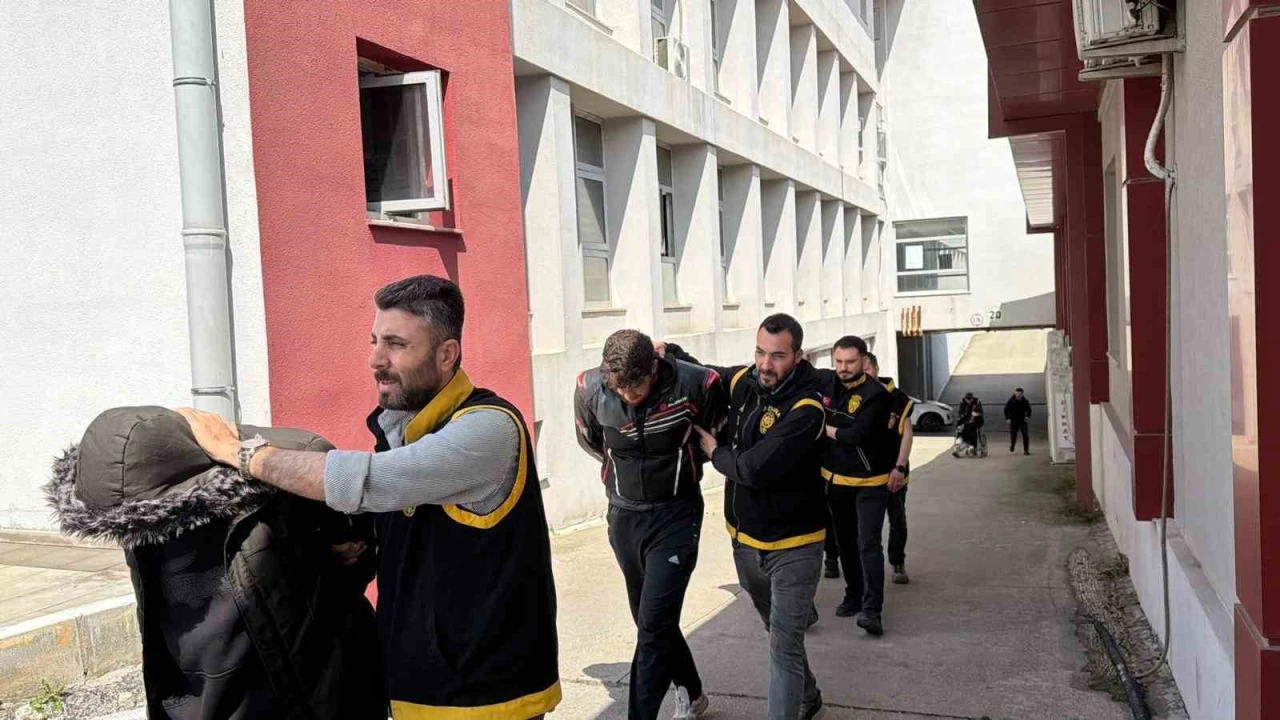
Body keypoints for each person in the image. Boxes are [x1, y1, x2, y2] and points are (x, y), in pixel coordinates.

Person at [177, 275, 561, 720]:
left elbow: (371, 481)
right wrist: (360, 548)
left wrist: (239, 453)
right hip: (421, 690)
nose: (376, 360)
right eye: (375, 341)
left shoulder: (489, 428)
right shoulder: (402, 428)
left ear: (446, 354)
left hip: (488, 700)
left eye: (396, 344)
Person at [47, 407, 385, 719]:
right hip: (192, 688)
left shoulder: (291, 461)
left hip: (308, 683)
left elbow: (358, 556)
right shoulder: (130, 510)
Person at [663, 314, 829, 720]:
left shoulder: (807, 409)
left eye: (778, 356)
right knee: (779, 634)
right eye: (759, 352)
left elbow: (754, 468)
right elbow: (707, 375)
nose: (765, 364)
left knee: (783, 646)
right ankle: (809, 697)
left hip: (795, 547)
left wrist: (714, 451)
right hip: (746, 544)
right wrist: (669, 353)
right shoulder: (746, 380)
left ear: (798, 356)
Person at [573, 329, 724, 720]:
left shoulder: (696, 383)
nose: (628, 395)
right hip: (624, 516)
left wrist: (672, 467)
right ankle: (692, 692)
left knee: (654, 626)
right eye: (619, 389)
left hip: (676, 514)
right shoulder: (590, 389)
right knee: (650, 619)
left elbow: (714, 435)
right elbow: (593, 442)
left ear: (654, 368)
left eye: (635, 387)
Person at [808, 337, 895, 636]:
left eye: (850, 362)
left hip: (871, 483)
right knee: (845, 543)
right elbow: (796, 369)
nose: (843, 368)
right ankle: (854, 595)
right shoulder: (826, 382)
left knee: (868, 544)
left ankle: (872, 611)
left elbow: (857, 435)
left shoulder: (877, 395)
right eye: (839, 362)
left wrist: (823, 428)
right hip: (835, 480)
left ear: (864, 361)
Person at [865, 352, 915, 585]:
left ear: (876, 368)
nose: (864, 375)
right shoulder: (851, 395)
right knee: (866, 527)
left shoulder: (897, 398)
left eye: (867, 369)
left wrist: (900, 467)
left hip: (894, 472)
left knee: (897, 519)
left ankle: (897, 562)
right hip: (865, 476)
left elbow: (907, 435)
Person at [953, 392, 984, 457]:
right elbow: (960, 412)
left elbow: (981, 412)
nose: (969, 401)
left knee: (972, 429)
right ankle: (958, 445)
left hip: (976, 420)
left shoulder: (977, 401)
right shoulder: (963, 401)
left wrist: (976, 414)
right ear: (965, 399)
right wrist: (963, 418)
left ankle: (972, 446)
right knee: (960, 429)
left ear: (972, 398)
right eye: (967, 400)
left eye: (970, 400)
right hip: (965, 420)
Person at [1004, 387, 1032, 455]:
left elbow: (1029, 410)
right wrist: (1007, 418)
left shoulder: (1025, 401)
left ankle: (1026, 450)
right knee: (1014, 436)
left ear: (1022, 394)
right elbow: (1005, 410)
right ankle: (1012, 445)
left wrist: (1028, 417)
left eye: (1019, 394)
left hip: (1022, 421)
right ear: (1015, 393)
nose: (1018, 395)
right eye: (1017, 394)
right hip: (1013, 421)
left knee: (1025, 435)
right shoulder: (1011, 401)